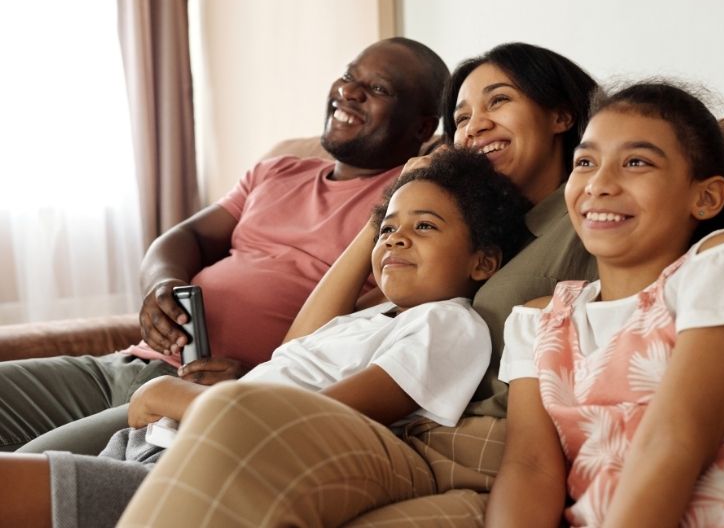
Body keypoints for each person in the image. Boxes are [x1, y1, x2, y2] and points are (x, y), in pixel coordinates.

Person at [112, 42, 603, 526]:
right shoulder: (460, 236)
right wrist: (386, 213)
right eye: (461, 117)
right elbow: (303, 344)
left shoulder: (582, 216)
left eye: (498, 101)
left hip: (435, 437)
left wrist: (178, 397)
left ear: (561, 116)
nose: (474, 127)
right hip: (244, 411)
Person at [0, 148, 532, 528]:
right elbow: (294, 347)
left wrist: (184, 399)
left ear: (482, 260)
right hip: (163, 442)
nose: (395, 237)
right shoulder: (375, 317)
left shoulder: (447, 324)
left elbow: (318, 421)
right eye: (388, 226)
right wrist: (378, 225)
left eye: (424, 227)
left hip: (206, 468)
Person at [0, 36, 450, 455]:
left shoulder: (407, 205)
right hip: (131, 364)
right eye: (350, 75)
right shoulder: (276, 172)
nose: (349, 92)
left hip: (205, 395)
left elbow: (364, 330)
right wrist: (163, 286)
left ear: (422, 126)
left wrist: (263, 379)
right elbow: (185, 237)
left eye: (377, 88)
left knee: (24, 477)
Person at [487, 82, 724, 527]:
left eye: (636, 162)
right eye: (586, 162)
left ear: (705, 197)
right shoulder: (537, 320)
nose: (599, 184)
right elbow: (530, 467)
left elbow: (677, 437)